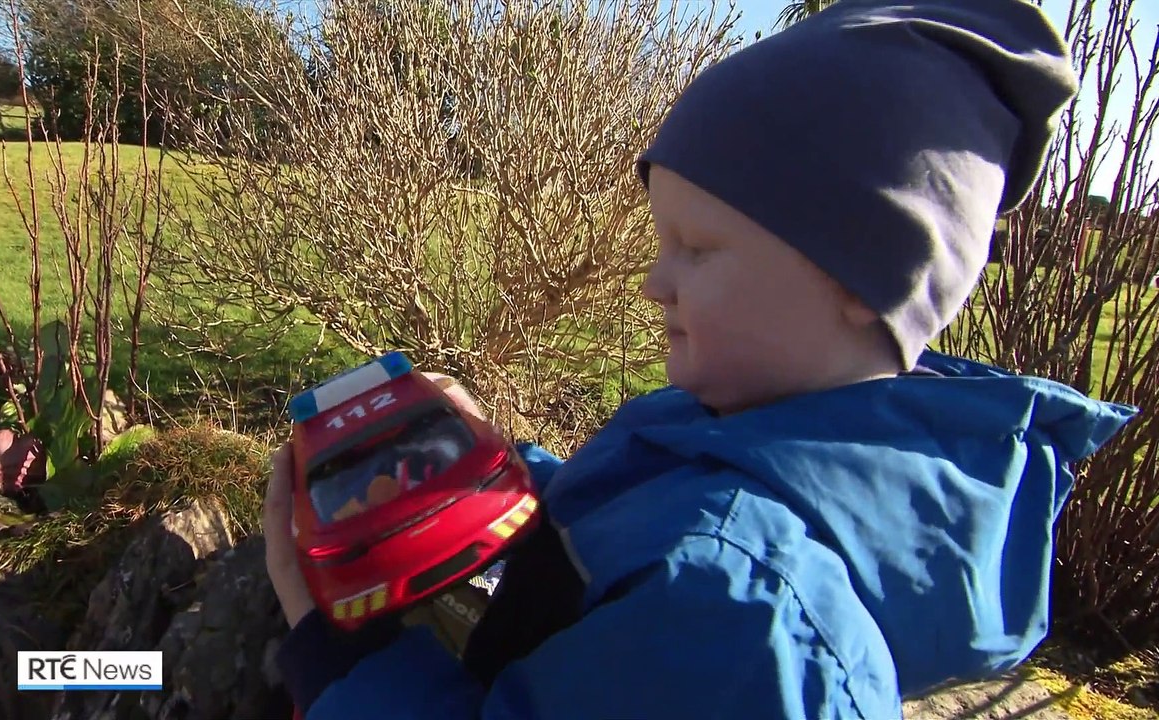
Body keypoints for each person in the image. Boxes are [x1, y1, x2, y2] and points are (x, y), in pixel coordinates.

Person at [260, 1, 1139, 717]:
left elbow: (680, 561)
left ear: (867, 279)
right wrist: (490, 472)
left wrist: (340, 659)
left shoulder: (740, 612)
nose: (653, 283)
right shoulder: (739, 430)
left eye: (698, 248)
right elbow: (634, 523)